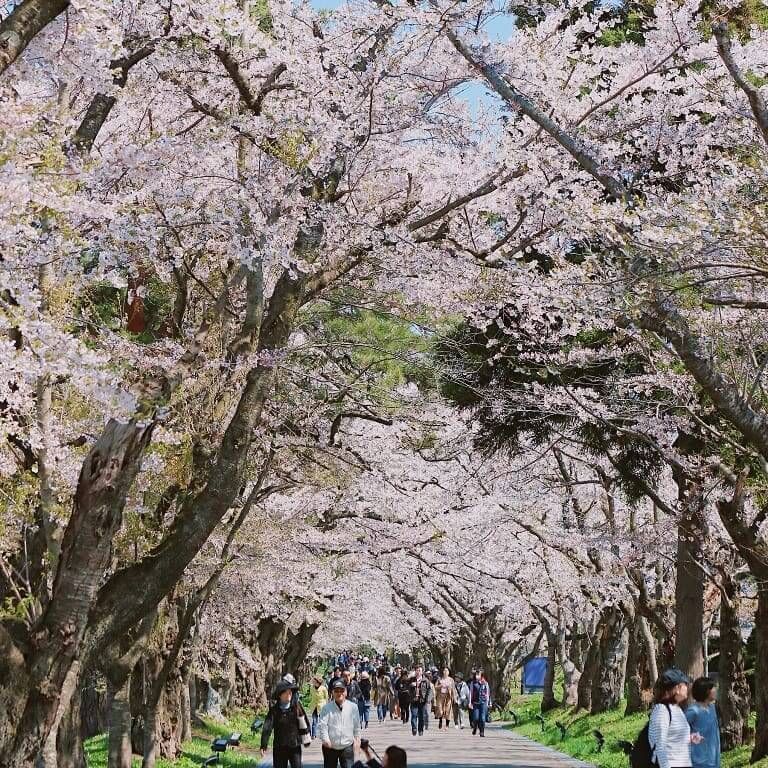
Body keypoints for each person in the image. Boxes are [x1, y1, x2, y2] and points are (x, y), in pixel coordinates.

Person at [649, 668, 699, 768]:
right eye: (685, 684)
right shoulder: (661, 710)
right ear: (677, 688)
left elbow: (672, 738)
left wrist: (689, 738)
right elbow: (660, 746)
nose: (687, 688)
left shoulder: (676, 709)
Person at [261, 679, 311, 768]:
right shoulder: (274, 710)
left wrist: (306, 738)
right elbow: (267, 728)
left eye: (290, 692)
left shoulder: (297, 707)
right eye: (286, 692)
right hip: (279, 747)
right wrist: (263, 744)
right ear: (280, 695)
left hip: (295, 746)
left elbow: (305, 723)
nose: (289, 694)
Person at [317, 680, 362, 768]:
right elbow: (323, 726)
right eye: (336, 691)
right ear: (332, 693)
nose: (339, 693)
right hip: (330, 746)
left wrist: (357, 740)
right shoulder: (326, 708)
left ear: (346, 692)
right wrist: (326, 740)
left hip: (347, 745)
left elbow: (356, 726)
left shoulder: (353, 707)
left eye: (342, 691)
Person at [685, 676, 720, 768]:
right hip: (698, 762)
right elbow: (680, 732)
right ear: (706, 691)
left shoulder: (712, 708)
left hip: (714, 759)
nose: (716, 690)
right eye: (713, 687)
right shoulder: (693, 711)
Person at [409, 666, 431, 736]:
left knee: (421, 717)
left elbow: (429, 690)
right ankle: (414, 728)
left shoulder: (425, 680)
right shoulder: (411, 679)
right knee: (414, 715)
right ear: (415, 671)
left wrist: (427, 699)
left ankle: (420, 730)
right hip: (414, 700)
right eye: (417, 670)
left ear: (422, 672)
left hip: (422, 701)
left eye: (419, 670)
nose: (418, 672)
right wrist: (411, 685)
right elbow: (406, 688)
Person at [469, 670, 491, 737]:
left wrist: (488, 703)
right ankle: (475, 728)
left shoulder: (485, 683)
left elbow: (488, 693)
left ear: (481, 675)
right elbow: (471, 693)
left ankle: (482, 731)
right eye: (476, 674)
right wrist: (470, 702)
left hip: (483, 702)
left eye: (478, 674)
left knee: (483, 718)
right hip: (475, 703)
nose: (477, 676)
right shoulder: (473, 683)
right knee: (476, 718)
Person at [310, 675, 330, 739]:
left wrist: (326, 706)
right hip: (314, 706)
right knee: (314, 721)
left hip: (322, 706)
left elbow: (326, 697)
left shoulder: (323, 688)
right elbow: (311, 696)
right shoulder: (312, 688)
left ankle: (323, 734)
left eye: (314, 681)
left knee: (322, 721)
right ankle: (313, 734)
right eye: (313, 681)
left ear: (318, 682)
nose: (313, 682)